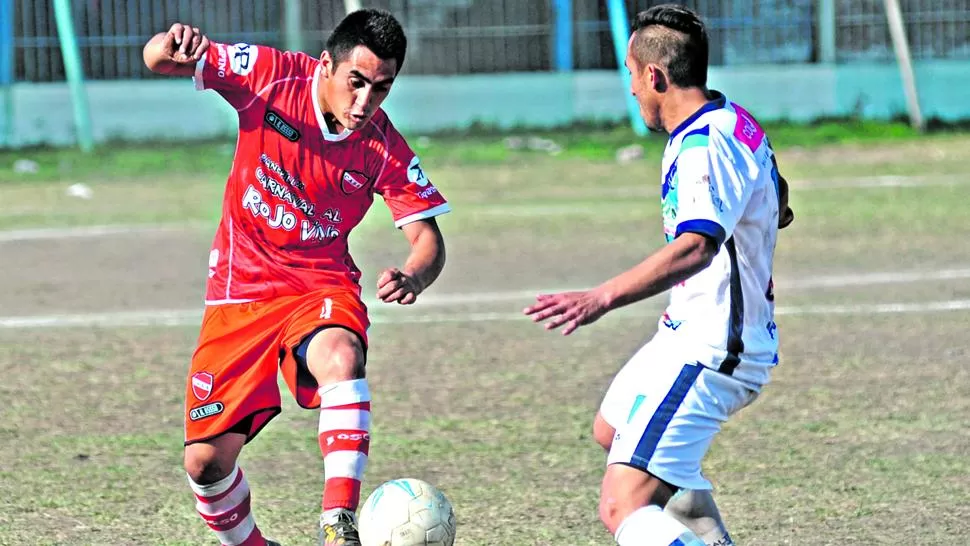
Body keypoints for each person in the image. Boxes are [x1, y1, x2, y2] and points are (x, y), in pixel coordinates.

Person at [143, 9, 450, 546]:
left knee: (340, 355)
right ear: (325, 65)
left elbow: (428, 239)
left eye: (381, 89)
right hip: (240, 288)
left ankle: (339, 523)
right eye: (356, 82)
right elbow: (158, 59)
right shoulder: (268, 75)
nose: (365, 102)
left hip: (320, 284)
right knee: (206, 464)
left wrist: (414, 275)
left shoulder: (382, 145)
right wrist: (171, 44)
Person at [524, 4, 794, 546]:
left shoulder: (703, 146)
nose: (630, 89)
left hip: (712, 347)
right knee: (612, 430)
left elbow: (696, 245)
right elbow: (781, 199)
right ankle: (704, 531)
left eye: (630, 74)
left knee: (622, 503)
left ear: (655, 76)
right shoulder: (729, 119)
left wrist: (601, 297)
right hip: (682, 331)